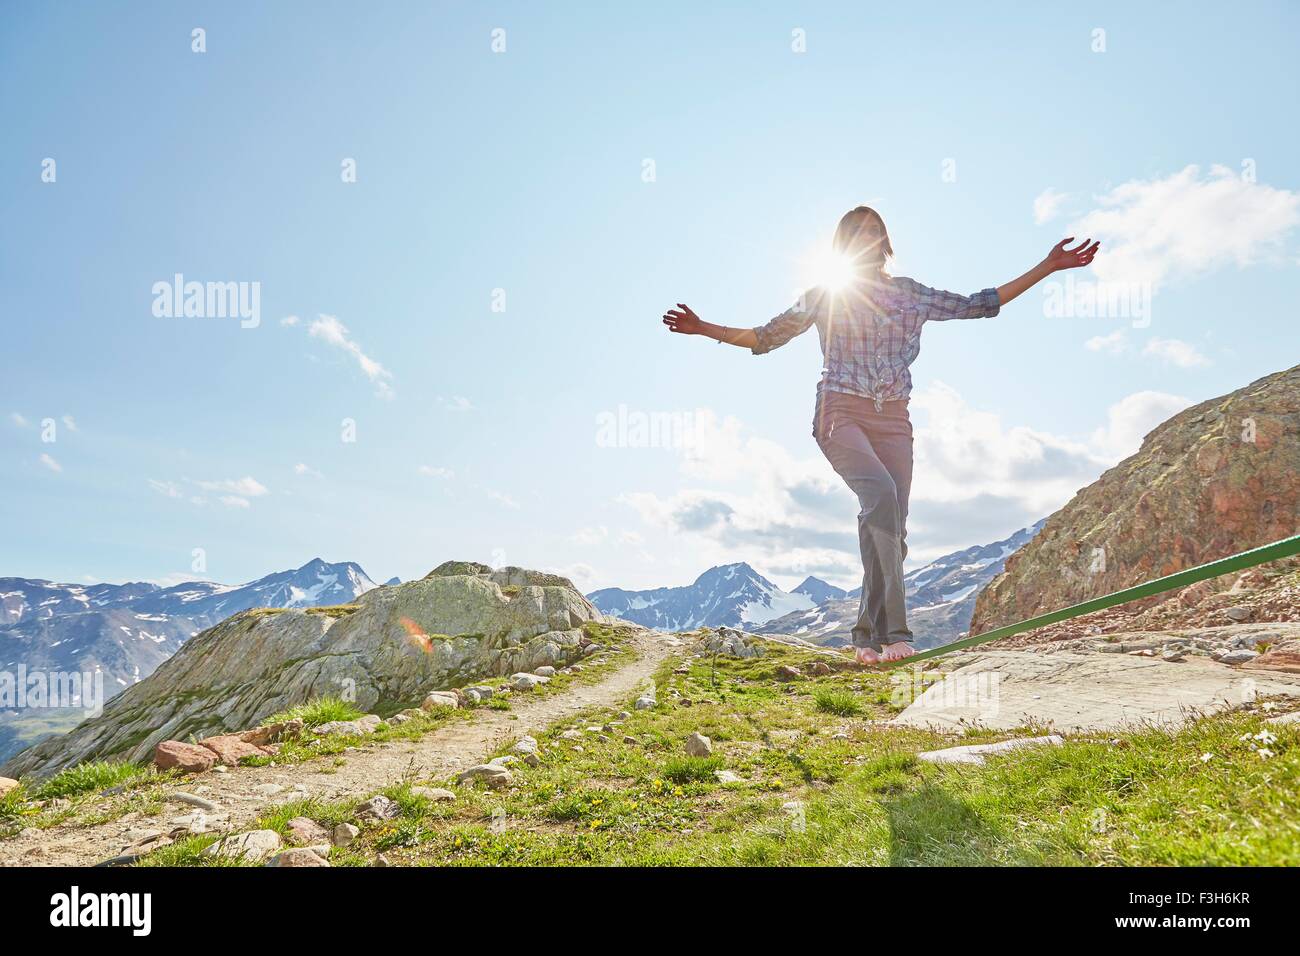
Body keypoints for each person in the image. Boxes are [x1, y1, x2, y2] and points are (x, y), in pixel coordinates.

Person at [662, 206, 1098, 665]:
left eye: (876, 232)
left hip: (893, 420)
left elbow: (980, 303)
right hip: (839, 414)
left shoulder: (911, 295)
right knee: (882, 499)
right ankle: (894, 633)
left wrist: (1048, 266)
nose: (868, 240)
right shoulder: (823, 294)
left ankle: (864, 639)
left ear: (886, 243)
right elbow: (765, 336)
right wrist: (703, 328)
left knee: (892, 527)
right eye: (857, 234)